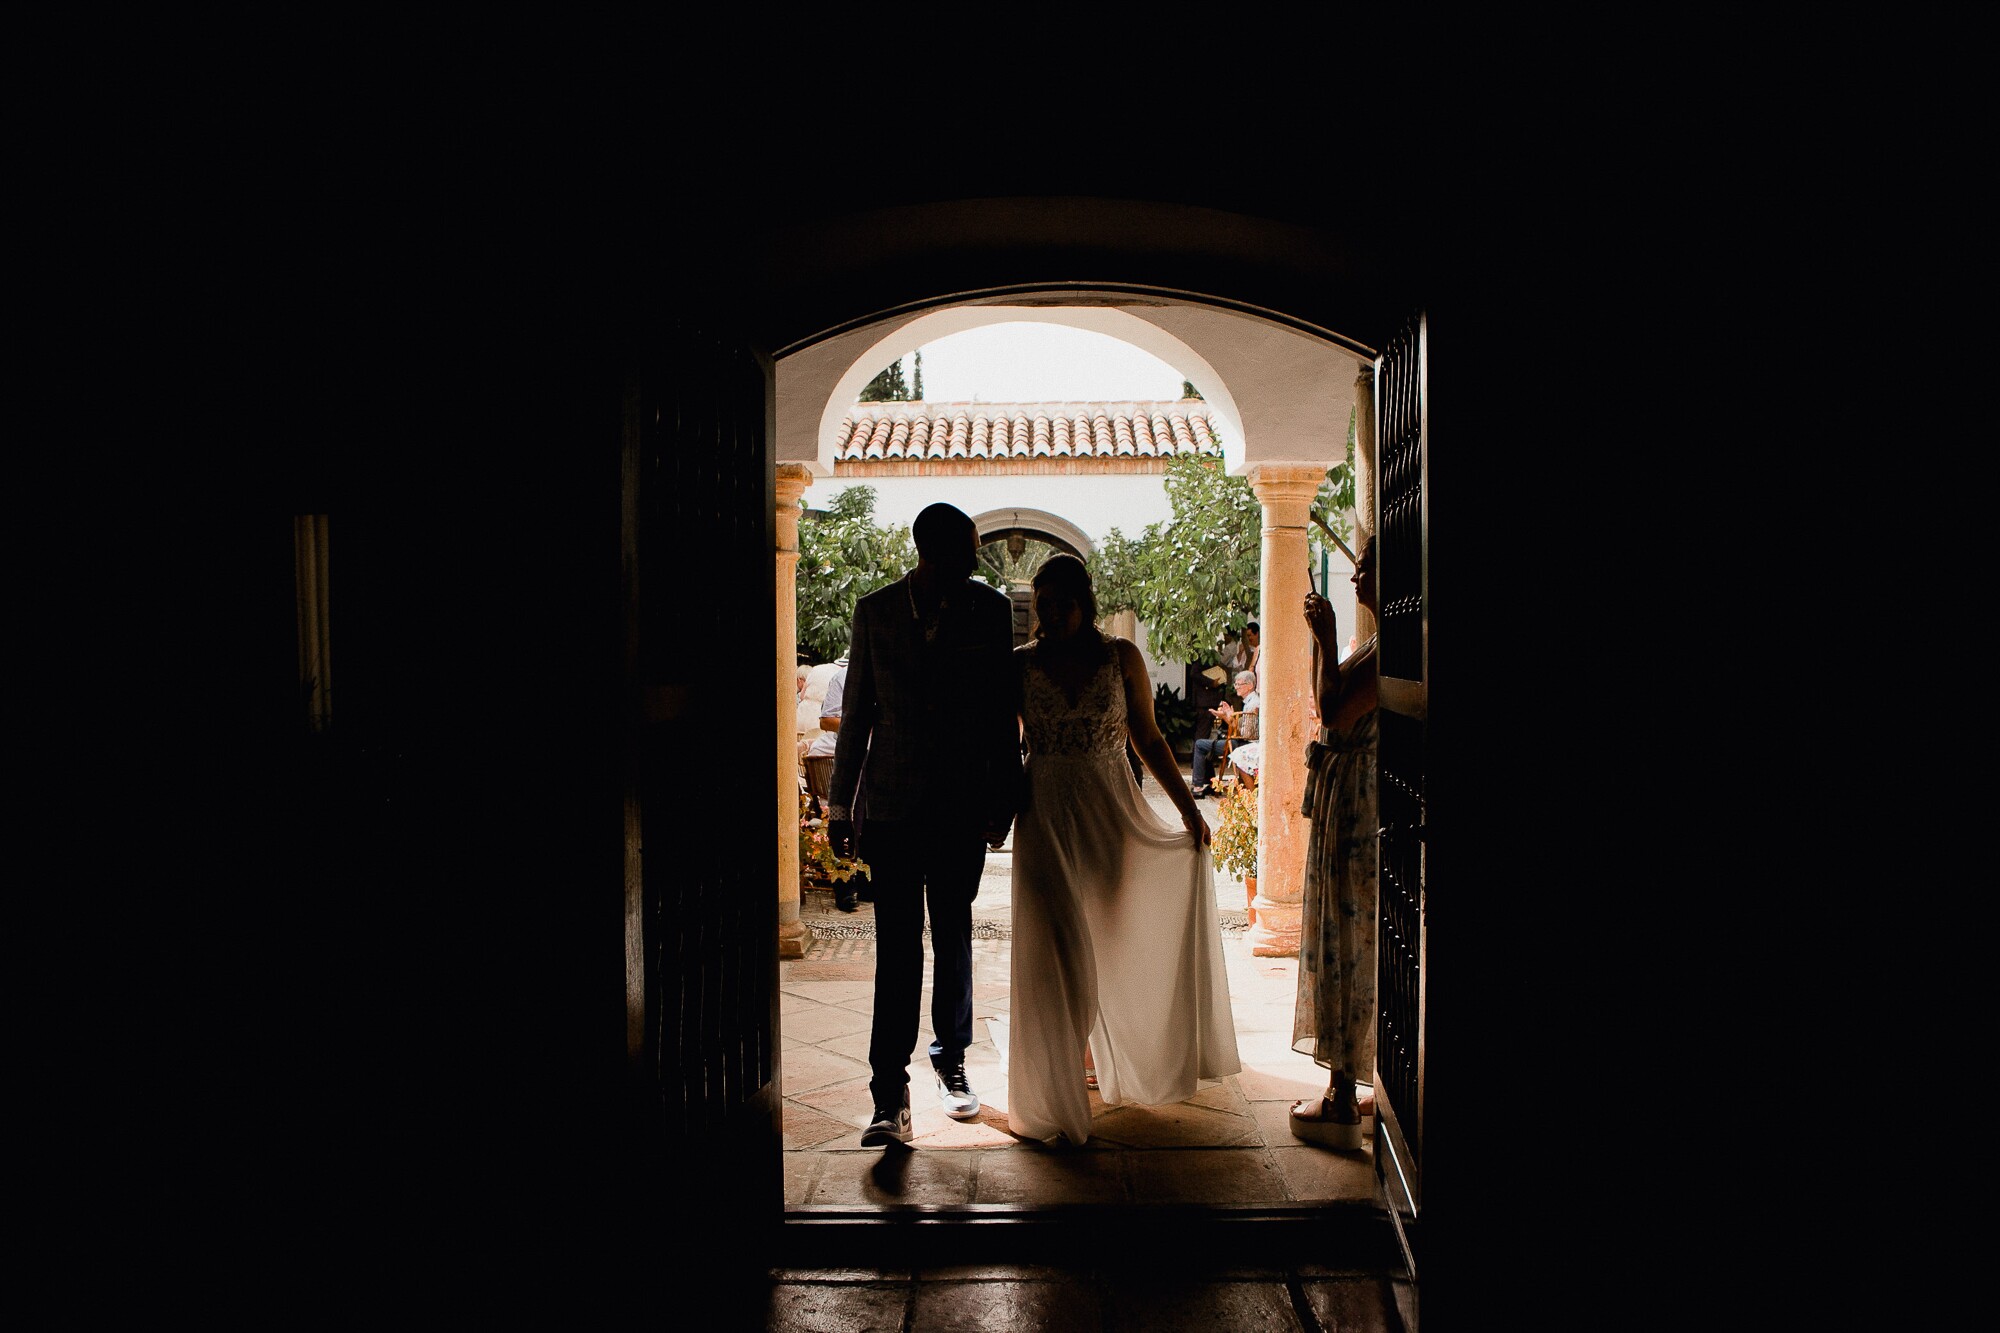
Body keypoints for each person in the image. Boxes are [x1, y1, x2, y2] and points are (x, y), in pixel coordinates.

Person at [1006, 553, 1242, 1146]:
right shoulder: (1019, 667)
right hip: (1044, 811)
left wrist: (1188, 810)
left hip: (1109, 805)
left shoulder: (1120, 657)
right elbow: (999, 747)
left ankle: (1106, 1053)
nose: (1052, 612)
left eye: (1063, 601)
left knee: (1107, 933)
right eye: (1044, 602)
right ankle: (1056, 1075)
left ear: (1085, 601)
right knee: (1055, 942)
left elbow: (1150, 736)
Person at [827, 503, 1020, 1148]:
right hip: (891, 808)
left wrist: (1003, 802)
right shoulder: (877, 612)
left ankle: (953, 1063)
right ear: (931, 551)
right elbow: (857, 716)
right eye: (967, 550)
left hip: (962, 809)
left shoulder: (989, 613)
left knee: (956, 940)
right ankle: (889, 1094)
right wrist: (839, 804)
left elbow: (1001, 717)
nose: (976, 560)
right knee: (897, 951)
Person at [1290, 538, 1379, 1149]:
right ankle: (1353, 1084)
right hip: (1347, 797)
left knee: (1347, 941)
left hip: (1358, 808)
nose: (1357, 570)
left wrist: (1324, 638)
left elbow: (1334, 712)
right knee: (1348, 937)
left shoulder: (1398, 639)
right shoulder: (1377, 640)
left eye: (1370, 563)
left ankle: (1343, 1094)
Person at [803, 658, 858, 911]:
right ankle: (844, 888)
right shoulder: (842, 678)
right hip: (841, 775)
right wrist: (860, 727)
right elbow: (826, 720)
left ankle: (861, 885)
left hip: (871, 774)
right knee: (838, 823)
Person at [1190, 668, 1259, 798]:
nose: (1236, 687)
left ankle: (1198, 786)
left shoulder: (1253, 704)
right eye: (1236, 684)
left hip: (1243, 744)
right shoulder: (1249, 701)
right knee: (1203, 744)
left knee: (1200, 744)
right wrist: (1227, 717)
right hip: (1241, 741)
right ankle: (1210, 783)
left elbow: (1245, 733)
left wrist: (1228, 717)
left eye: (1239, 684)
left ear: (1250, 686)